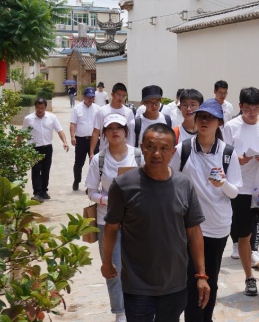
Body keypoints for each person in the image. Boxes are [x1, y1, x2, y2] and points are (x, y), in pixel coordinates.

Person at [101, 124, 210, 321]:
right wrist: (107, 262)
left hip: (175, 283)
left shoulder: (184, 185)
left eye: (164, 148)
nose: (156, 154)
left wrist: (201, 275)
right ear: (142, 148)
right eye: (150, 147)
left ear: (173, 152)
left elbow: (194, 231)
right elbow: (111, 228)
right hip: (137, 284)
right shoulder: (123, 185)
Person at [170, 99, 242, 322]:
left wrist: (223, 184)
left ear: (219, 122)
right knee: (193, 282)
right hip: (189, 228)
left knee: (211, 280)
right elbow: (169, 181)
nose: (204, 121)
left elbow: (235, 192)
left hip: (218, 226)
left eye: (210, 118)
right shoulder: (183, 149)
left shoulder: (228, 153)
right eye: (201, 117)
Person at [223, 87, 259, 301]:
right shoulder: (231, 126)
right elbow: (225, 153)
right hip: (242, 188)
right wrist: (237, 159)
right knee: (244, 235)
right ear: (240, 106)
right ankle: (249, 277)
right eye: (247, 109)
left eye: (256, 108)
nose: (252, 113)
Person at [85, 113, 142, 322]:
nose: (115, 131)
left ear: (126, 132)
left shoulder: (138, 156)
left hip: (136, 222)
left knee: (138, 268)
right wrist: (107, 200)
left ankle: (139, 306)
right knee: (112, 267)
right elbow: (91, 191)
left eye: (119, 127)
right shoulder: (99, 160)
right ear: (105, 133)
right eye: (110, 128)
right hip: (108, 222)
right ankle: (120, 312)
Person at [22, 97, 70, 202]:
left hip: (47, 148)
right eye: (38, 108)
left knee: (45, 170)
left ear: (45, 107)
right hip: (34, 148)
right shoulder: (28, 119)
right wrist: (17, 145)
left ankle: (44, 191)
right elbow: (22, 133)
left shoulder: (52, 117)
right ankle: (37, 193)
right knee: (36, 170)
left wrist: (65, 142)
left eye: (42, 108)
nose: (40, 110)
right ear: (35, 107)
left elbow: (60, 130)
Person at [90, 83, 135, 158]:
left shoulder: (129, 112)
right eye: (118, 95)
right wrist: (91, 152)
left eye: (123, 96)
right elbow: (96, 132)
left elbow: (130, 134)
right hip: (105, 152)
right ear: (112, 94)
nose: (121, 98)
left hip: (123, 153)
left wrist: (131, 152)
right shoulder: (102, 111)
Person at [70, 87, 100, 191]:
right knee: (79, 163)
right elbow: (73, 124)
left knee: (94, 163)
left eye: (92, 97)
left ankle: (91, 185)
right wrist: (72, 136)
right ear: (84, 96)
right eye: (88, 97)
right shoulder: (77, 109)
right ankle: (77, 180)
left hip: (94, 140)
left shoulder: (97, 109)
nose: (90, 99)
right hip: (81, 140)